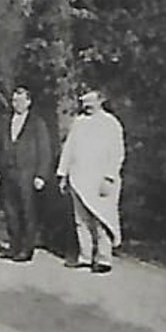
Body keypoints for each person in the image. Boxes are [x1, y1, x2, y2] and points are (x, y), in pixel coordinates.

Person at [57, 88, 124, 273]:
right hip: (78, 178)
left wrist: (109, 177)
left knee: (101, 219)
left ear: (100, 101)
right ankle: (85, 257)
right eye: (84, 101)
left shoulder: (111, 123)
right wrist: (63, 174)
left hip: (100, 180)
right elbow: (69, 149)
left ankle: (104, 258)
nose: (87, 105)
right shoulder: (79, 123)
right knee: (81, 221)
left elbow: (117, 153)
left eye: (90, 101)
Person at [0, 86, 56, 262]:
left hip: (27, 175)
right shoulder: (4, 120)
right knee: (10, 211)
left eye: (20, 100)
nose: (16, 104)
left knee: (27, 211)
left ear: (28, 102)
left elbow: (45, 150)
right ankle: (14, 245)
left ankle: (27, 249)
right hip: (7, 173)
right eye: (14, 100)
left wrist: (41, 175)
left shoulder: (37, 123)